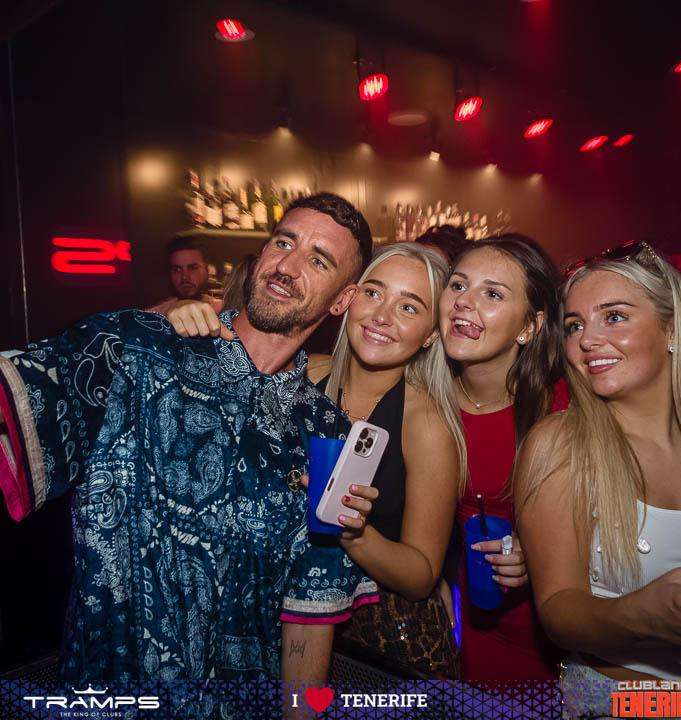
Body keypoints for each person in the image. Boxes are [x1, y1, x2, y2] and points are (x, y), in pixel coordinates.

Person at [0, 192, 377, 719]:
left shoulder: (326, 436)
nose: (287, 266)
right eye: (283, 243)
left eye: (319, 261)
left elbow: (307, 619)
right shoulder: (135, 348)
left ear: (342, 299)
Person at [167, 243, 468, 678]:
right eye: (373, 293)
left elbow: (422, 575)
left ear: (431, 335)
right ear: (347, 299)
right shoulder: (303, 374)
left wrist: (353, 533)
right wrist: (182, 315)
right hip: (279, 626)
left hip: (378, 652)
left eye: (409, 307)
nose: (382, 316)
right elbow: (227, 360)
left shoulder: (426, 424)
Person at [514, 241, 681, 718]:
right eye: (574, 325)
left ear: (671, 328)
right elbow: (557, 610)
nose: (587, 339)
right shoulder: (560, 444)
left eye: (614, 317)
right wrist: (640, 616)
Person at [439, 234, 565, 683]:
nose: (463, 302)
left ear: (529, 327)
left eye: (492, 294)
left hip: (555, 640)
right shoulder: (425, 403)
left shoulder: (562, 409)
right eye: (458, 285)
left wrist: (542, 554)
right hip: (472, 628)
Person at [147, 236, 219, 315]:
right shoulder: (154, 317)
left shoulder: (224, 313)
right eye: (177, 269)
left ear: (207, 270)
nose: (184, 277)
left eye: (193, 268)